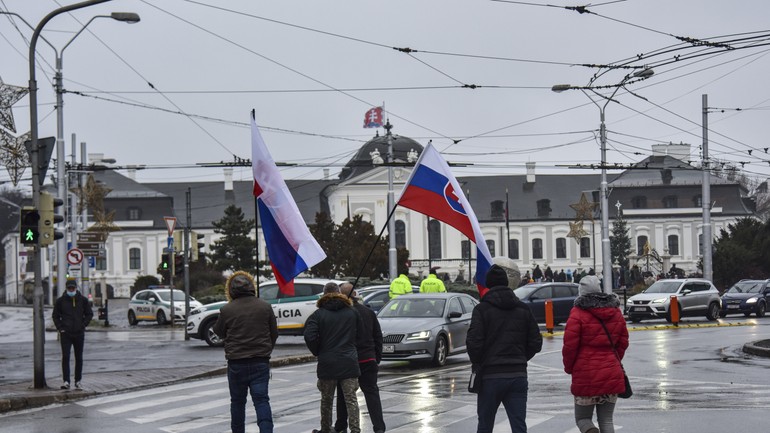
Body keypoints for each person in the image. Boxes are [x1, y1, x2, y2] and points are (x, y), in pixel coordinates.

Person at [467, 258, 544, 433]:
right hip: (517, 375)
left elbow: (473, 343)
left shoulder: (481, 309)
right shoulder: (523, 309)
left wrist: (480, 361)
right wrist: (520, 358)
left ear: (488, 285)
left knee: (485, 425)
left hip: (489, 376)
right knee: (519, 426)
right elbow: (535, 342)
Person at [212, 271, 278, 433]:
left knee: (237, 402)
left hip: (236, 363)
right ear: (251, 287)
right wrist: (267, 349)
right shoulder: (265, 306)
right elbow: (273, 333)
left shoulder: (227, 310)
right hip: (260, 361)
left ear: (232, 290)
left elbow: (219, 332)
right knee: (262, 401)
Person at [562, 275, 629, 433]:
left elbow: (569, 346)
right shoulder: (615, 312)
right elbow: (623, 341)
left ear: (581, 292)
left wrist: (570, 367)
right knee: (606, 420)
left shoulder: (577, 313)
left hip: (585, 374)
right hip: (612, 372)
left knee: (583, 419)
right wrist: (614, 359)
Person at [305, 282, 364, 433]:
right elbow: (361, 334)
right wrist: (352, 347)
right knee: (351, 399)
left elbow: (309, 336)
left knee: (326, 399)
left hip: (327, 362)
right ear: (339, 293)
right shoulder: (352, 312)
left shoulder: (318, 315)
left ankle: (326, 428)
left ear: (324, 295)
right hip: (349, 361)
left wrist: (318, 350)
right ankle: (355, 429)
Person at [334, 282, 386, 433]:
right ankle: (379, 428)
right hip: (368, 359)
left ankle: (341, 426)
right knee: (372, 394)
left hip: (349, 361)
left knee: (344, 396)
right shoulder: (368, 312)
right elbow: (378, 336)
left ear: (341, 295)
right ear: (355, 294)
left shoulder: (343, 314)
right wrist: (376, 357)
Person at [52, 279, 94, 390]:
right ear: (66, 288)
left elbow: (89, 314)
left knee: (78, 357)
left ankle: (78, 381)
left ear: (76, 288)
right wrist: (60, 328)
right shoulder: (60, 301)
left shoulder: (83, 300)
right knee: (65, 357)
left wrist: (83, 325)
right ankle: (66, 381)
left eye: (73, 288)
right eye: (69, 288)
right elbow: (55, 316)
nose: (71, 290)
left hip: (79, 333)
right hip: (66, 334)